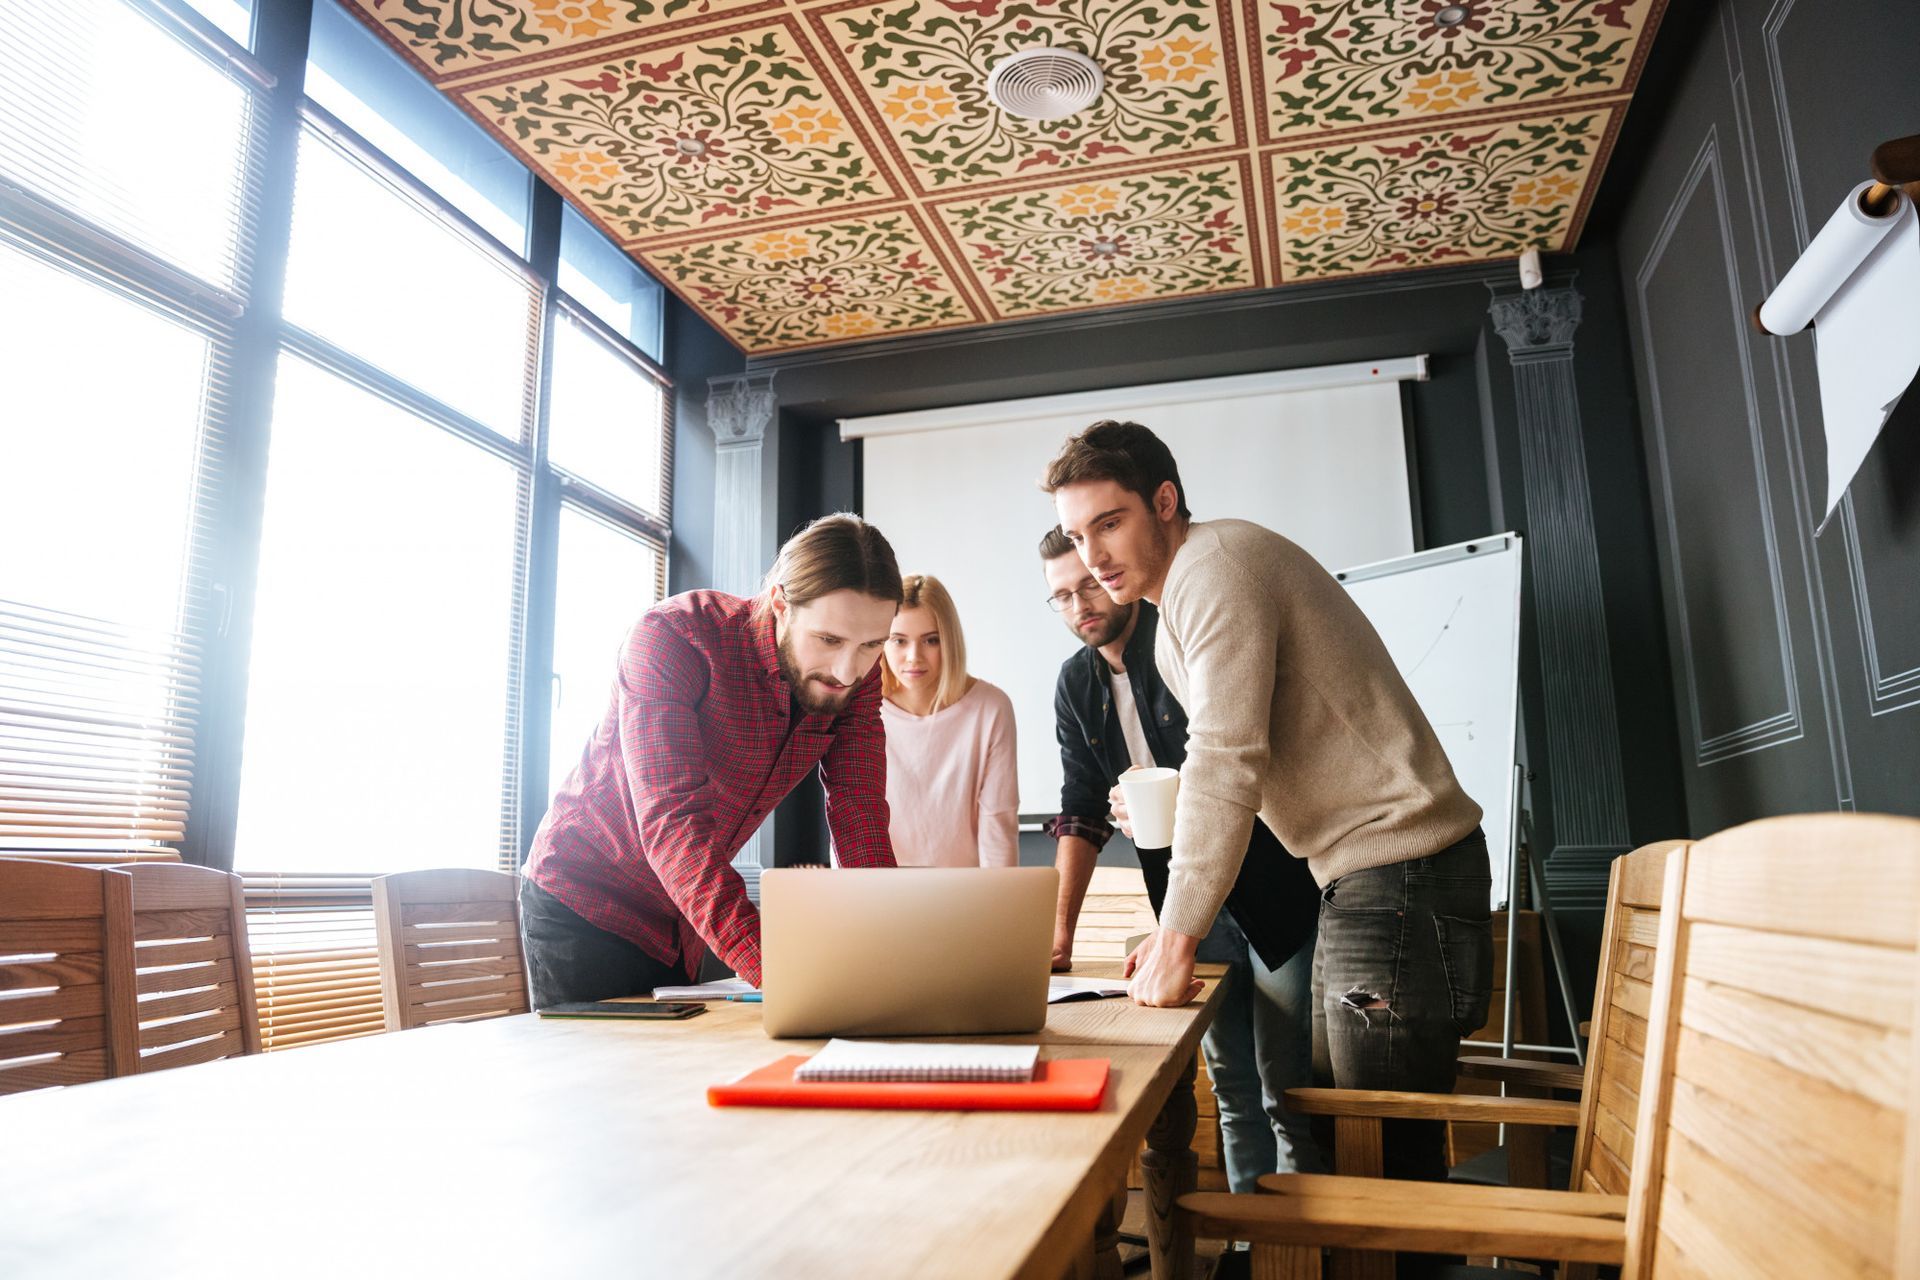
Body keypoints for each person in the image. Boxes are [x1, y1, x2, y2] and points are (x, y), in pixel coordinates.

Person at [1044, 421, 1492, 1185]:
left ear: (1164, 500)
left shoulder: (1214, 569)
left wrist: (1179, 932)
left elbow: (1225, 757)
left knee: (1385, 1161)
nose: (1094, 556)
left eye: (1110, 523)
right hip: (1359, 876)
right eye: (1078, 535)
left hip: (1401, 867)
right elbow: (1230, 764)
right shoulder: (1173, 618)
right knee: (1332, 1133)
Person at [520, 513, 904, 1007]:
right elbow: (672, 822)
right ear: (781, 604)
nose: (849, 670)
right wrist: (784, 973)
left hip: (684, 918)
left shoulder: (855, 677)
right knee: (599, 1081)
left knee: (677, 1079)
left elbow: (860, 811)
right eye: (828, 640)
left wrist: (899, 954)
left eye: (872, 644)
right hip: (586, 904)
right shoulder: (674, 639)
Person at [1039, 527, 1323, 1188]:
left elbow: (1234, 759)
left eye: (1087, 582)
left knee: (1288, 1087)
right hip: (1190, 910)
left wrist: (1167, 801)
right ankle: (1253, 1241)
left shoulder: (1178, 636)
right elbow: (1081, 811)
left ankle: (1302, 1251)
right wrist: (1058, 934)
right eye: (1059, 596)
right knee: (1231, 1089)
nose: (1079, 602)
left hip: (1275, 886)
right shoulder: (1075, 683)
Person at [877, 574, 1020, 867]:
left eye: (931, 640)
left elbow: (997, 824)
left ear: (950, 641)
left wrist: (1001, 909)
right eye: (899, 641)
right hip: (878, 895)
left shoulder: (990, 708)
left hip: (966, 898)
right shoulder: (861, 711)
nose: (914, 657)